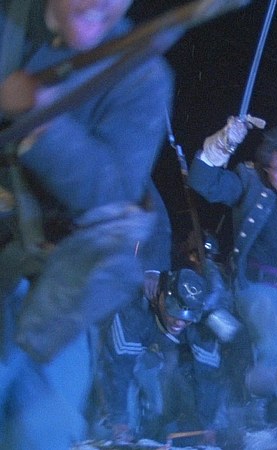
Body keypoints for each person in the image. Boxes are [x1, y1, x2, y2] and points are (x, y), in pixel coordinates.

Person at [0, 0, 173, 447]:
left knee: (43, 431)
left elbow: (111, 193)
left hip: (55, 296)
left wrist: (42, 116)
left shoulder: (141, 73)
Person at [188, 122, 277, 431]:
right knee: (275, 344)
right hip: (256, 288)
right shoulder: (249, 180)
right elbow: (204, 182)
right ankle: (253, 409)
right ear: (266, 167)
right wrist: (223, 143)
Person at [100, 268, 223, 445]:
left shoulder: (203, 325)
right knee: (124, 414)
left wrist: (208, 425)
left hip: (166, 362)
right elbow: (118, 369)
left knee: (160, 405)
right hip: (119, 357)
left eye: (187, 317)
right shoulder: (134, 311)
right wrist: (119, 422)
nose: (179, 322)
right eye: (173, 311)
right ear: (160, 297)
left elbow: (208, 377)